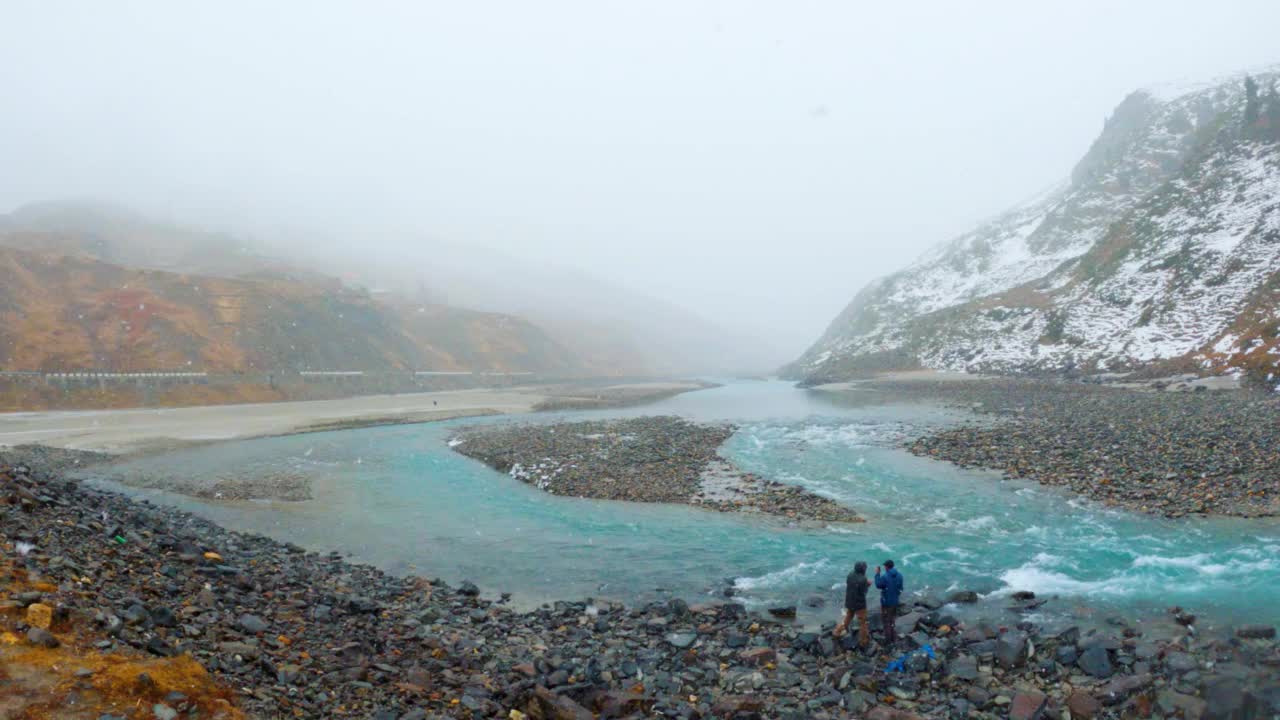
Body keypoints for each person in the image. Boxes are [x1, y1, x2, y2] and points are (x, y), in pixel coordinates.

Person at [833, 561, 870, 649]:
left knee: (848, 618)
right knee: (863, 622)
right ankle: (863, 641)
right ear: (862, 569)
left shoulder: (850, 575)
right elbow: (864, 592)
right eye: (865, 568)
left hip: (850, 601)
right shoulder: (863, 579)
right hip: (860, 604)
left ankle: (837, 632)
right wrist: (868, 585)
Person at [875, 559, 904, 646]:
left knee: (886, 621)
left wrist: (877, 574)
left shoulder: (885, 576)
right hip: (895, 601)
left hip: (886, 602)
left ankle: (888, 641)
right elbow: (901, 588)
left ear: (886, 567)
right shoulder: (900, 575)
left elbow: (878, 585)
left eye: (885, 566)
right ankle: (894, 637)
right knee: (892, 620)